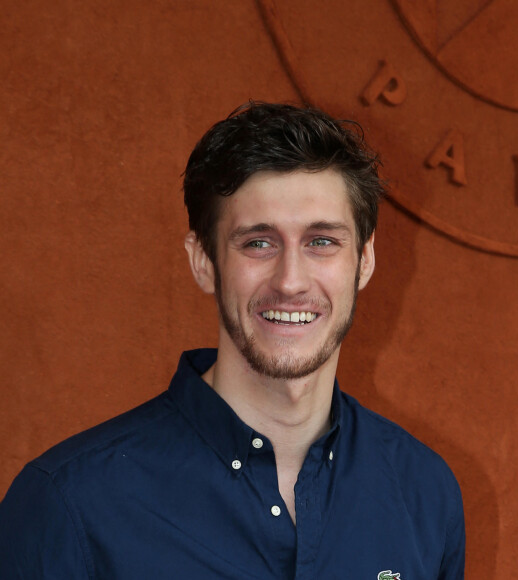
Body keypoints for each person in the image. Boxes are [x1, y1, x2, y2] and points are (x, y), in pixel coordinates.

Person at [0, 102, 465, 579]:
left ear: (364, 260)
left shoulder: (424, 493)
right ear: (204, 261)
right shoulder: (69, 504)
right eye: (258, 243)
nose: (290, 281)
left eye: (321, 241)